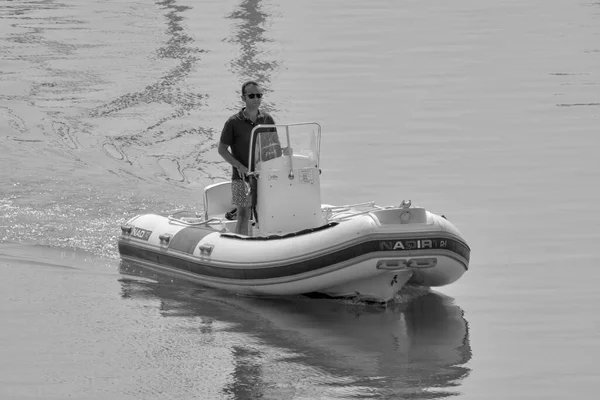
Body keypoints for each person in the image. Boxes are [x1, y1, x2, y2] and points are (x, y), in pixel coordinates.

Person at [218, 81, 277, 235]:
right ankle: (240, 246)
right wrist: (239, 166)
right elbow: (222, 150)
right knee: (243, 214)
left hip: (263, 175)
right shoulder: (233, 122)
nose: (256, 99)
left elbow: (273, 148)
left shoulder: (267, 120)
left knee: (267, 210)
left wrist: (284, 151)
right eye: (252, 96)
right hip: (240, 177)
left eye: (259, 95)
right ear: (243, 98)